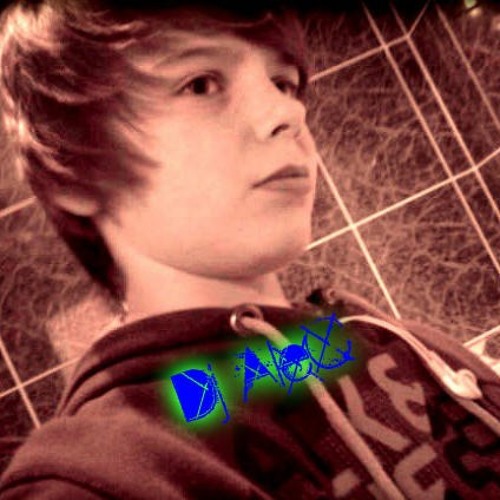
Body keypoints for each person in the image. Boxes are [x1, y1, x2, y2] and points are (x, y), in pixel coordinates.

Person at [0, 1, 498, 498]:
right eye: (200, 84)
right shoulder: (101, 470)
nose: (288, 112)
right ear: (73, 171)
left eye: (283, 83)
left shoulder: (391, 338)